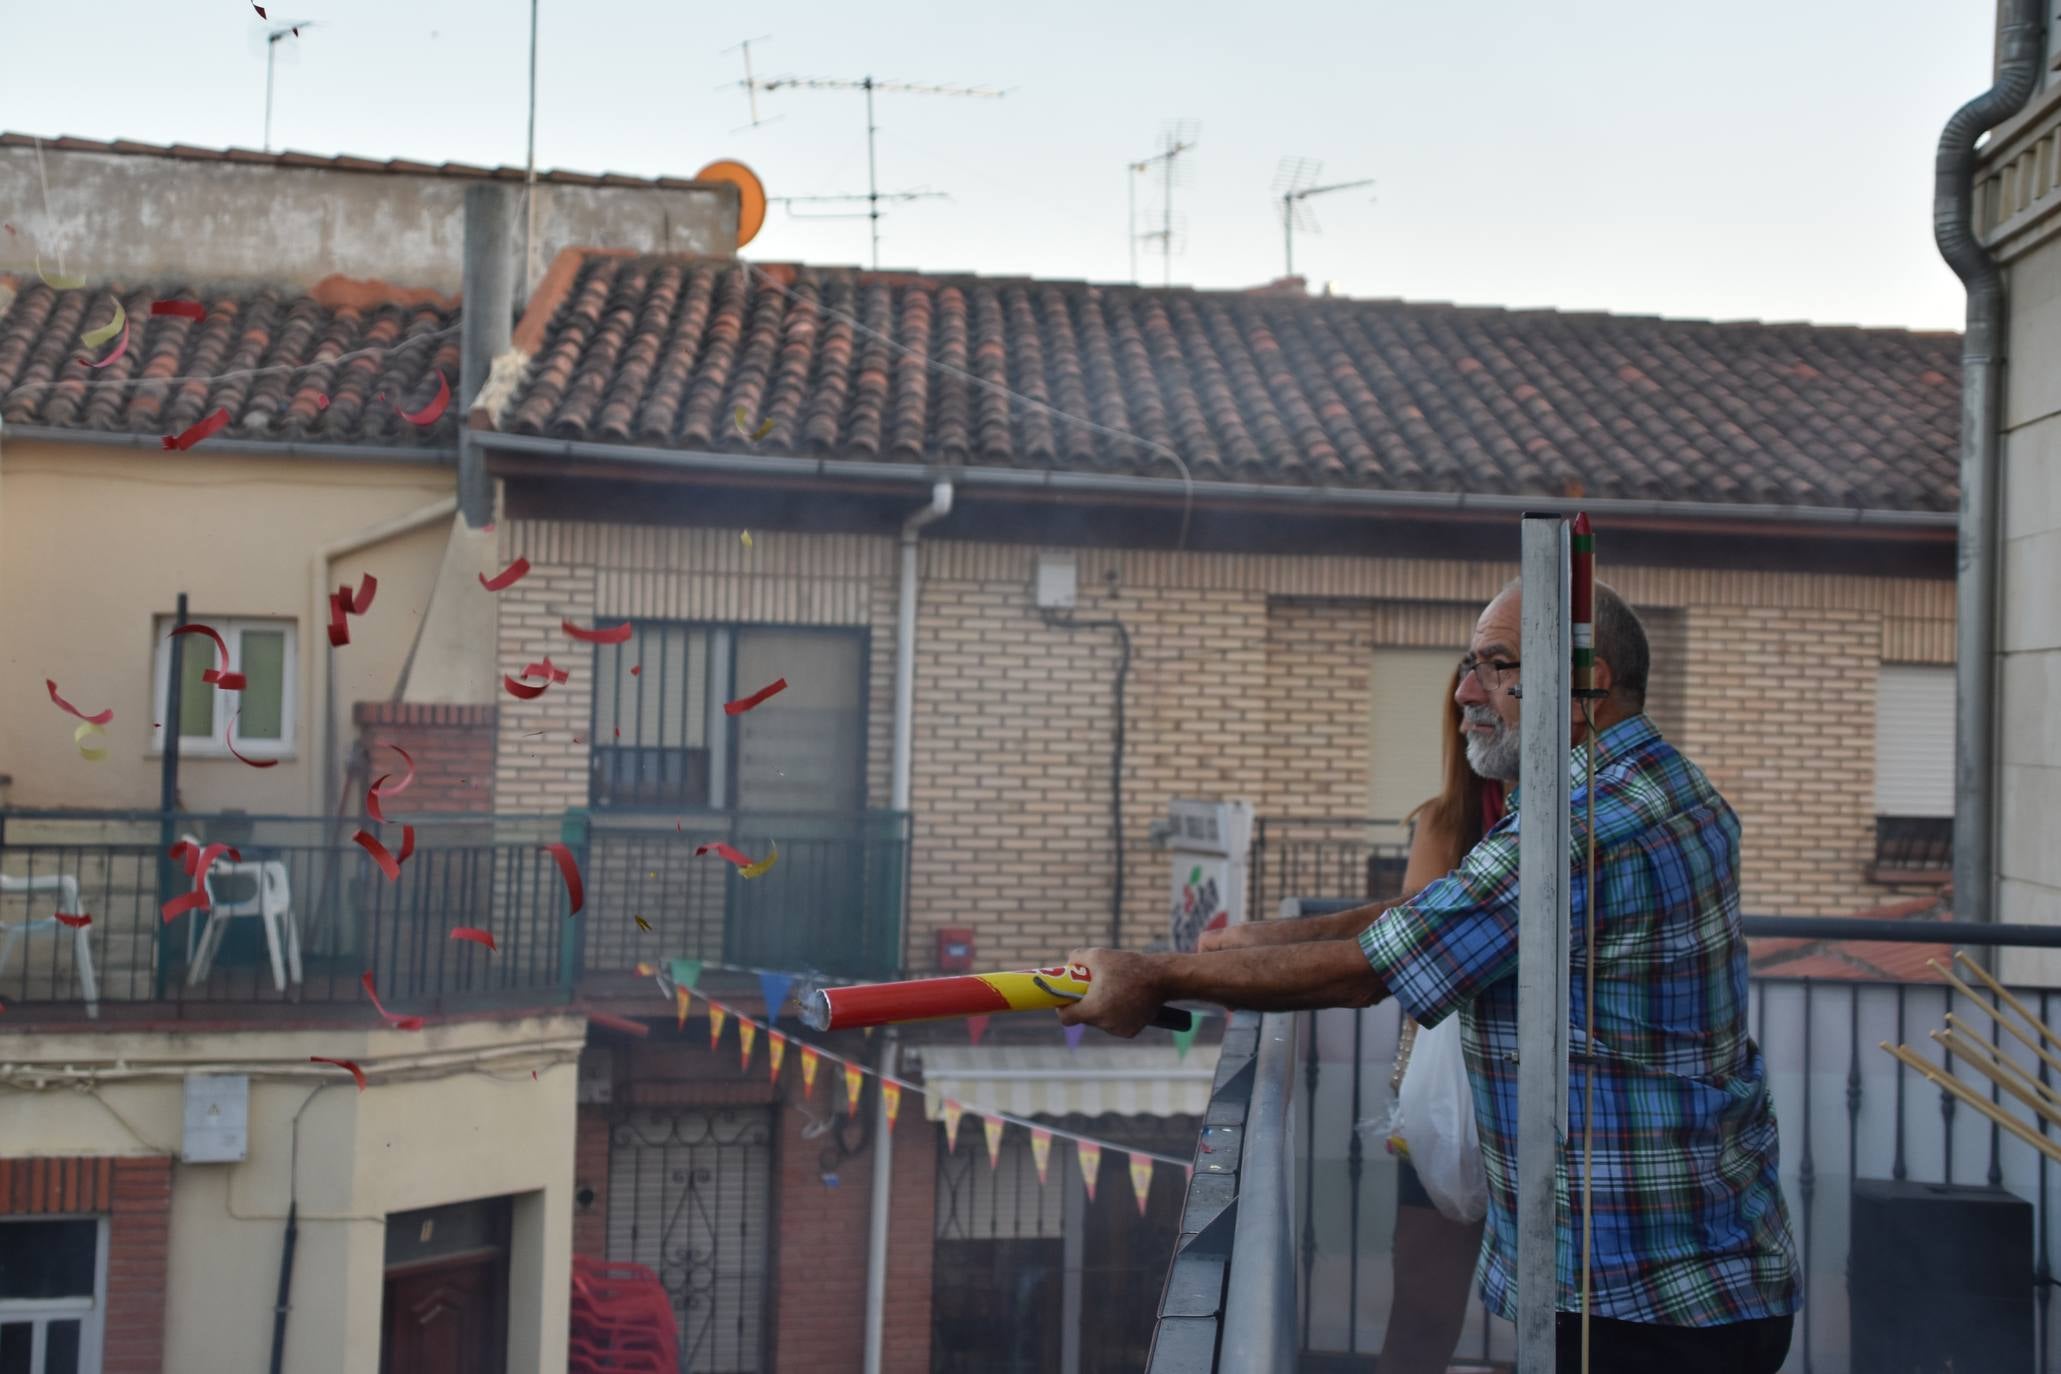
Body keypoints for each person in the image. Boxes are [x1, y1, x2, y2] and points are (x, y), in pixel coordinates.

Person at [1061, 582, 1800, 1374]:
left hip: (1642, 1296)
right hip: (1700, 1265)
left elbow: (1367, 974)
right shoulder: (1647, 782)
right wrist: (1261, 940)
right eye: (1467, 665)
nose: (1464, 692)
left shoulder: (1584, 826)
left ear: (1590, 680)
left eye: (1495, 665)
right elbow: (1439, 910)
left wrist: (1149, 975)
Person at [1201, 667, 1500, 1374]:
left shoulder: (1573, 818)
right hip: (1441, 1099)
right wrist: (1252, 951)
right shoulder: (1446, 819)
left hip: (1546, 1102)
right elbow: (1412, 937)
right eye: (1465, 699)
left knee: (1564, 1314)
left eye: (1492, 691)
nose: (1472, 710)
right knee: (1424, 1312)